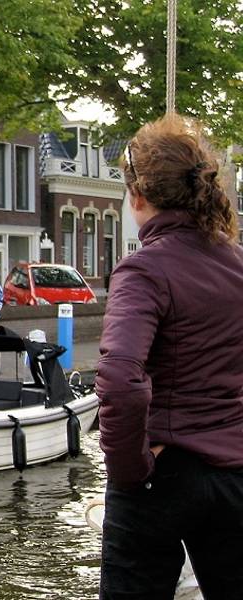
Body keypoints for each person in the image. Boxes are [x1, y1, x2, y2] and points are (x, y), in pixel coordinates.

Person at [97, 114, 243, 599]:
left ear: (138, 195)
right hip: (233, 475)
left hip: (161, 473)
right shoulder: (238, 265)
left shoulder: (143, 270)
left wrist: (129, 472)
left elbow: (120, 379)